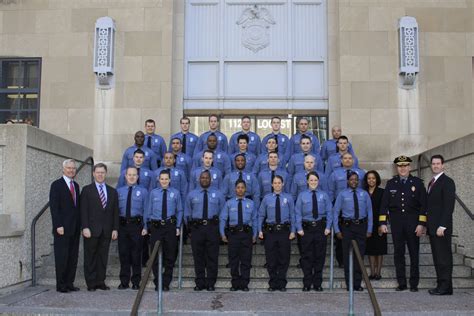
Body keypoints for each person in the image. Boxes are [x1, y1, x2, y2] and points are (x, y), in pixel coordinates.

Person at [379, 155, 427, 292]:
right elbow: (384, 205)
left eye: (405, 165)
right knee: (398, 254)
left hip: (413, 224)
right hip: (396, 224)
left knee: (414, 253)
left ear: (409, 167)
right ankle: (402, 283)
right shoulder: (391, 183)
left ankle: (414, 284)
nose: (403, 168)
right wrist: (383, 223)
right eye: (400, 166)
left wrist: (421, 224)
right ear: (397, 168)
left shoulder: (417, 183)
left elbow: (423, 205)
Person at [80, 163, 119, 291]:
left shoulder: (112, 192)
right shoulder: (87, 190)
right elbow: (83, 210)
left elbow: (115, 212)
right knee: (90, 257)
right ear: (93, 174)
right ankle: (91, 283)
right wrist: (84, 227)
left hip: (106, 230)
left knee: (103, 257)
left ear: (106, 174)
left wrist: (115, 229)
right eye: (98, 172)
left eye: (102, 172)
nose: (100, 174)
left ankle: (100, 281)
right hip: (91, 230)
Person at [185, 170, 225, 291]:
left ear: (211, 179)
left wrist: (220, 230)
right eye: (202, 178)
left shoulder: (218, 194)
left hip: (212, 228)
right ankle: (200, 282)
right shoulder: (192, 195)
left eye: (207, 178)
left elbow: (223, 213)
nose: (205, 180)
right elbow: (187, 214)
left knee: (212, 256)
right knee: (198, 256)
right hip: (197, 228)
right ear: (199, 179)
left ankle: (211, 282)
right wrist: (190, 229)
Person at [333, 171, 373, 291]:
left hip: (361, 227)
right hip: (347, 227)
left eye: (356, 179)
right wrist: (336, 230)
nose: (354, 181)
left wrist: (369, 228)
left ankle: (357, 283)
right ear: (347, 181)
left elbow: (370, 212)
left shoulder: (364, 194)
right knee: (347, 256)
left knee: (359, 256)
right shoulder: (342, 194)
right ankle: (349, 284)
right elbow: (336, 213)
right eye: (351, 179)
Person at [144, 170, 183, 291]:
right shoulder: (153, 193)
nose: (164, 181)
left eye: (166, 179)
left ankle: (166, 281)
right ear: (158, 180)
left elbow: (180, 210)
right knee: (154, 255)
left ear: (170, 180)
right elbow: (148, 210)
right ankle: (158, 281)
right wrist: (146, 226)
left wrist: (177, 226)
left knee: (170, 255)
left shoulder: (175, 193)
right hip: (156, 227)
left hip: (169, 226)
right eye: (162, 179)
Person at [295, 171, 332, 291]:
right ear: (307, 181)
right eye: (311, 180)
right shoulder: (302, 195)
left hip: (320, 229)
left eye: (315, 180)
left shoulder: (324, 195)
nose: (313, 182)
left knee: (319, 256)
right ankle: (307, 283)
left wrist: (328, 227)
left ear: (318, 181)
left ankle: (317, 283)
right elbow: (297, 212)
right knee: (306, 256)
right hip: (306, 229)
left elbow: (329, 212)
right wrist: (299, 228)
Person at [258, 175, 296, 292]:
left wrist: (293, 230)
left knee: (284, 258)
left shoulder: (288, 198)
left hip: (284, 232)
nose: (277, 185)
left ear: (283, 184)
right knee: (271, 258)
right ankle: (273, 282)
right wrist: (259, 230)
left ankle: (282, 282)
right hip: (270, 232)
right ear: (272, 184)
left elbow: (293, 215)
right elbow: (261, 215)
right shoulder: (266, 198)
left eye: (279, 183)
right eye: (275, 183)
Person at [49, 159, 81, 293]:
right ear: (63, 169)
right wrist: (58, 225)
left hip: (74, 228)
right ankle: (61, 285)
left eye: (73, 168)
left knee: (73, 257)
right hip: (62, 228)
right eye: (69, 168)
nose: (71, 170)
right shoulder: (56, 185)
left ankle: (69, 283)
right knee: (62, 257)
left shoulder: (77, 186)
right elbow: (54, 207)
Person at [220, 180, 258, 291]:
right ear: (235, 189)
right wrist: (222, 234)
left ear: (245, 189)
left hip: (247, 234)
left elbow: (254, 220)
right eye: (238, 187)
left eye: (242, 187)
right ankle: (235, 283)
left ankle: (245, 283)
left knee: (246, 260)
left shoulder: (251, 203)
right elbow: (223, 219)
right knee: (234, 260)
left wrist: (255, 234)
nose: (240, 189)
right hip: (233, 235)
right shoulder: (229, 203)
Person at [427, 155, 456, 296]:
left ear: (443, 165)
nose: (436, 166)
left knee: (443, 258)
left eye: (438, 163)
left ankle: (445, 287)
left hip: (441, 228)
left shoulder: (447, 182)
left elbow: (449, 205)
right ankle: (442, 285)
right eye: (433, 164)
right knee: (438, 257)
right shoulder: (431, 183)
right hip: (433, 227)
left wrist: (443, 226)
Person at [116, 167, 148, 290]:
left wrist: (145, 226)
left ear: (138, 177)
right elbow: (115, 211)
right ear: (125, 176)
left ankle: (136, 281)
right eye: (129, 174)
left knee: (136, 254)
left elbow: (146, 209)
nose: (131, 177)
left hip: (137, 225)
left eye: (134, 175)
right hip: (122, 225)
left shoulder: (143, 191)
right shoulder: (119, 191)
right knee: (123, 254)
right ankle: (124, 281)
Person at [363, 170, 386, 280]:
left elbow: (385, 209)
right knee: (370, 249)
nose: (371, 180)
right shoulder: (363, 192)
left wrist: (382, 224)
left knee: (379, 249)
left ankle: (378, 273)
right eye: (369, 178)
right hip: (367, 224)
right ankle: (372, 272)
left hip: (379, 223)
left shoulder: (382, 192)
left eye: (373, 178)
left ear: (377, 179)